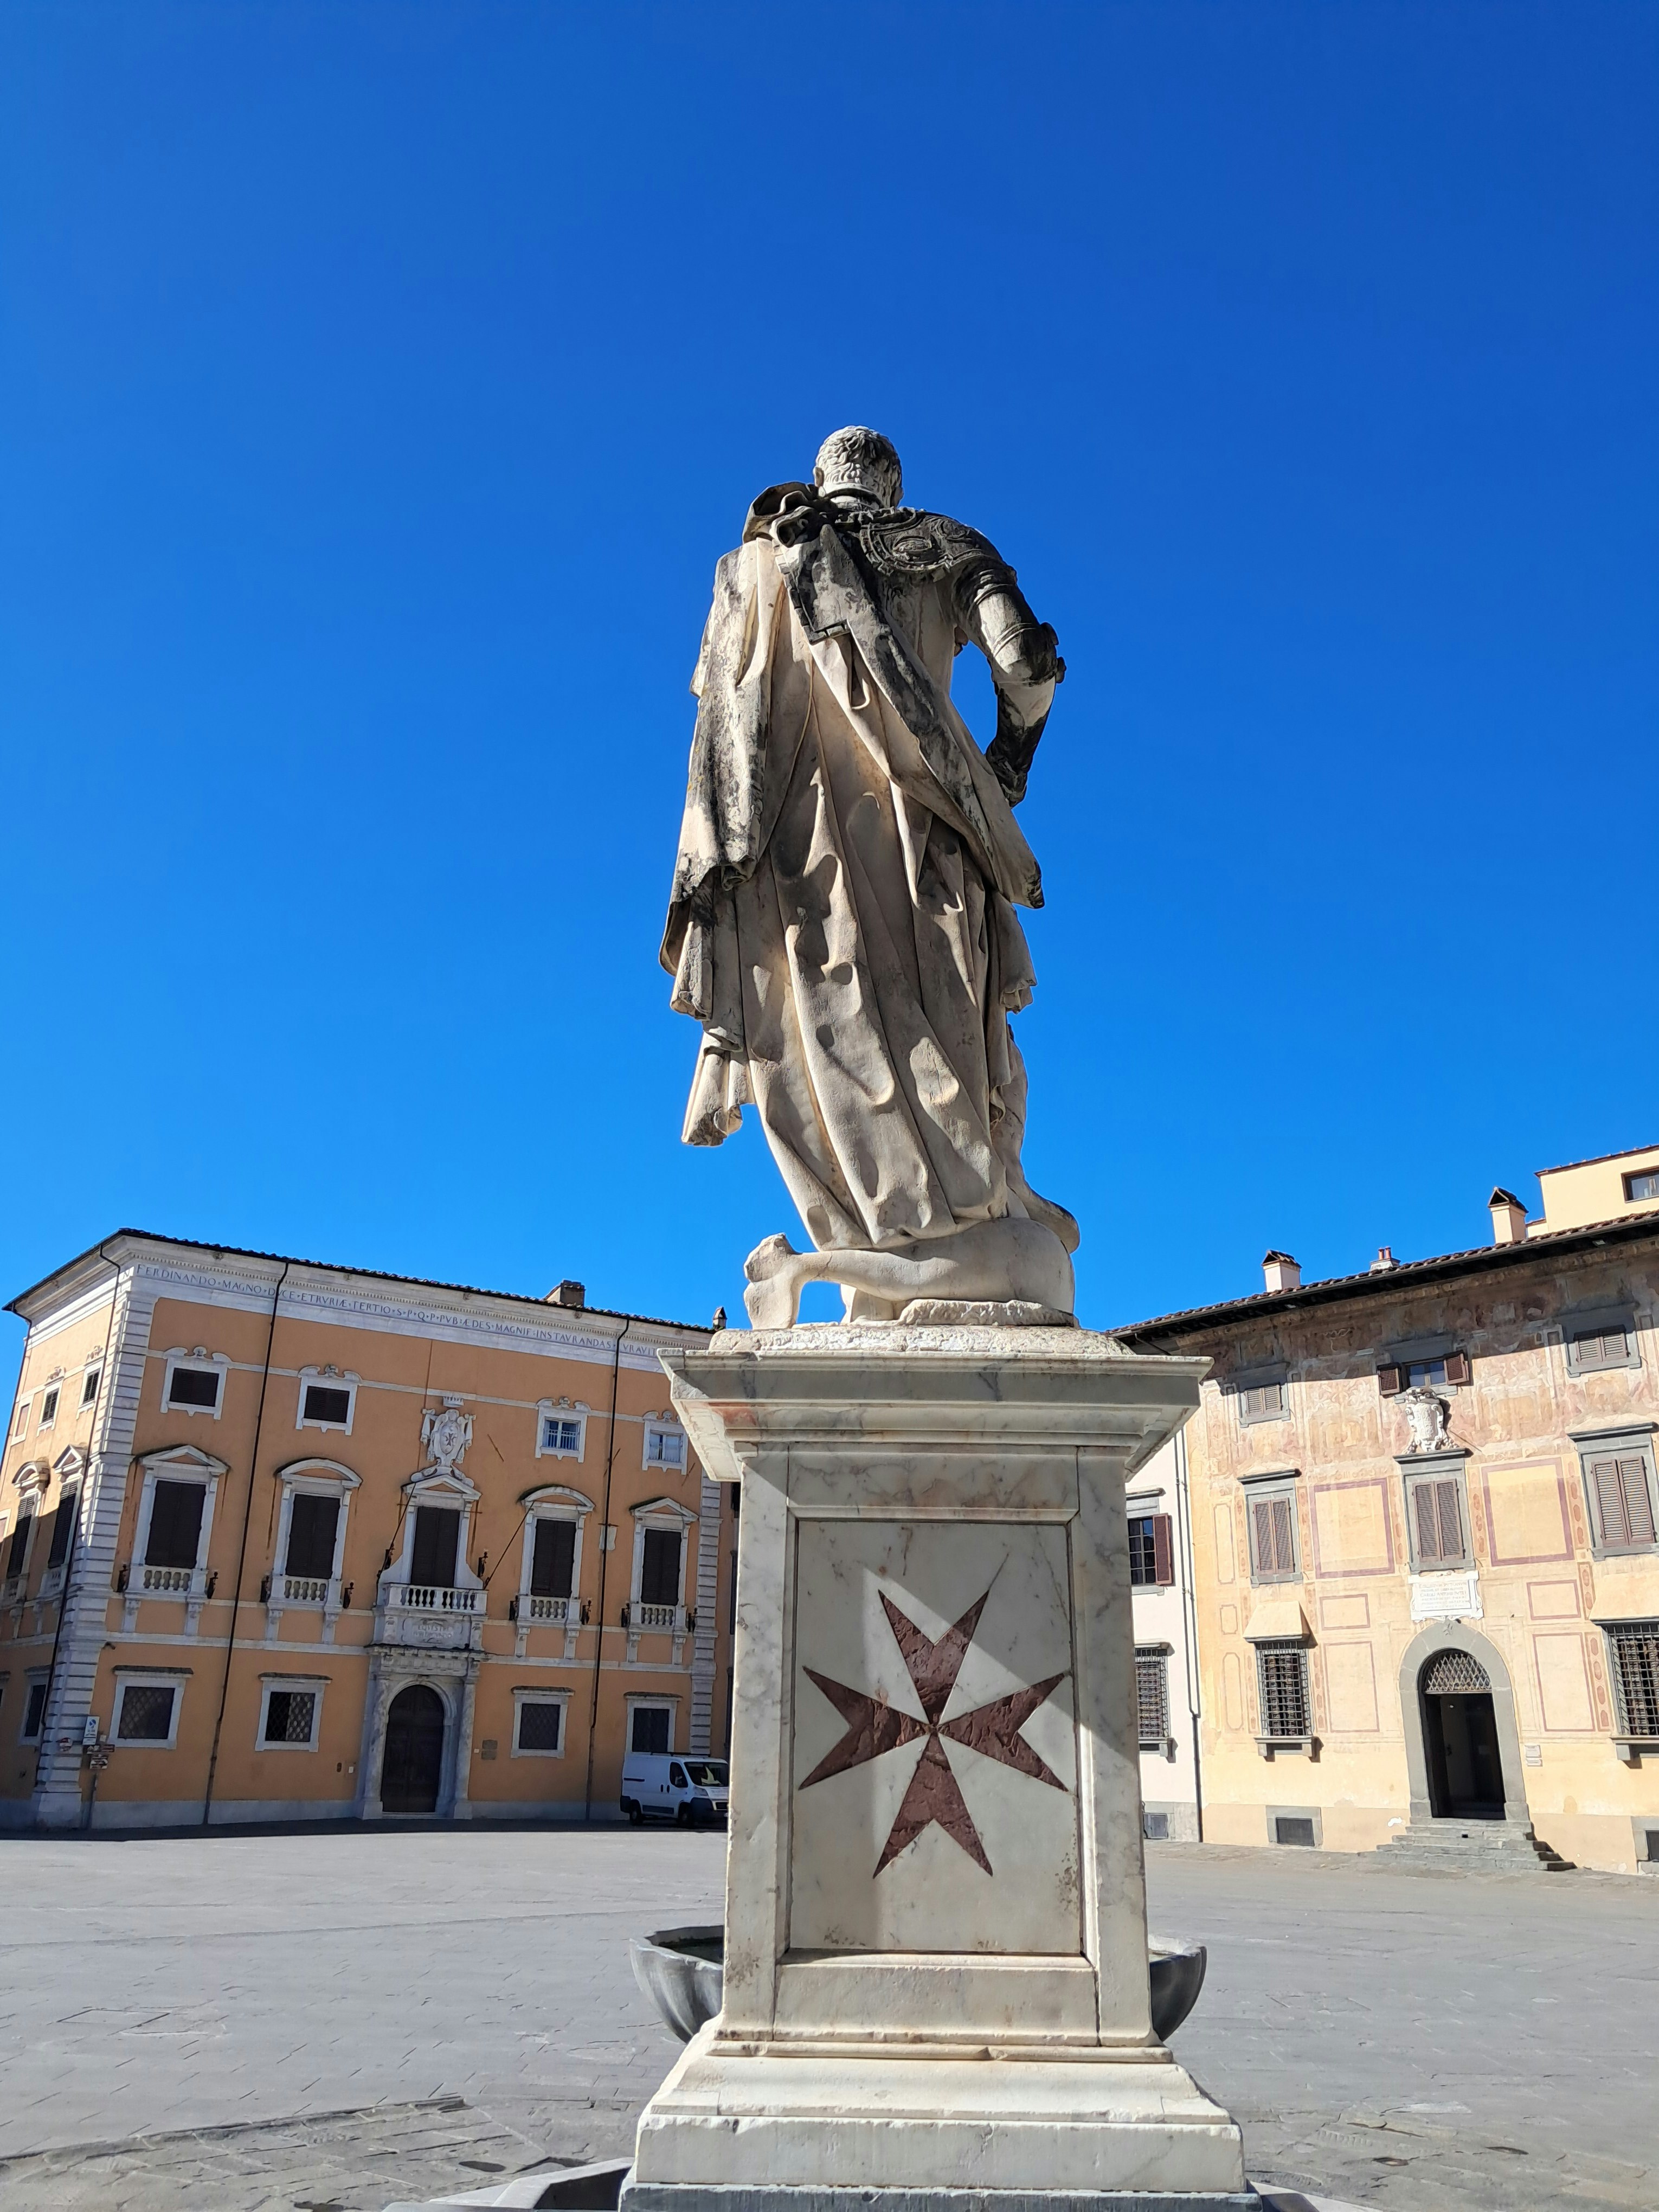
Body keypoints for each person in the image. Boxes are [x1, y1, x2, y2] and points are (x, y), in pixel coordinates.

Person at [661, 428, 1077, 1327]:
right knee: (949, 1044)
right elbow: (1027, 665)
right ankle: (951, 1239)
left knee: (822, 1042)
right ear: (892, 485)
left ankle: (868, 1261)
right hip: (928, 828)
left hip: (794, 854)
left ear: (821, 480)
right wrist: (1007, 764)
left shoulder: (753, 570)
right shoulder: (946, 543)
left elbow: (723, 750)